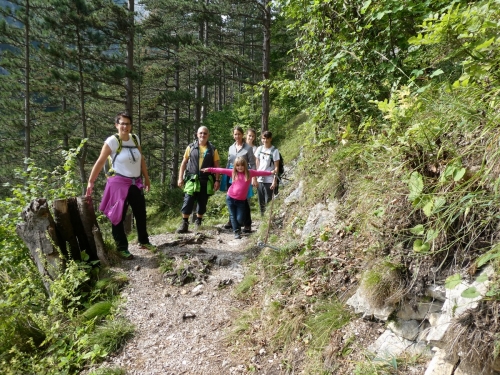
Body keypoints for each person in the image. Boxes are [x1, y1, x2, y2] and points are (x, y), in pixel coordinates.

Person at [86, 111, 154, 260]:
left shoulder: (135, 139)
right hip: (118, 184)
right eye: (122, 123)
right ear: (116, 125)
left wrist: (146, 178)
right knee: (118, 216)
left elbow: (141, 159)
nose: (125, 126)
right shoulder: (112, 141)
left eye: (128, 124)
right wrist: (91, 181)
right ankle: (121, 247)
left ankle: (143, 241)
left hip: (135, 183)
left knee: (140, 213)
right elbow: (100, 161)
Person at [202, 157, 273, 239]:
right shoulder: (232, 172)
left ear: (245, 166)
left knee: (240, 218)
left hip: (241, 201)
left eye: (242, 165)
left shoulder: (250, 173)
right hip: (230, 198)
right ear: (235, 166)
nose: (240, 167)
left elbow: (260, 172)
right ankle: (236, 232)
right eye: (238, 165)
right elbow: (221, 170)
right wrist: (209, 169)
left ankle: (238, 227)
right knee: (232, 215)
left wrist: (271, 172)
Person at [176, 126, 220, 233]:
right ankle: (184, 223)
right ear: (197, 134)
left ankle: (198, 222)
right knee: (188, 200)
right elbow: (183, 163)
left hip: (206, 179)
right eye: (201, 133)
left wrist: (217, 180)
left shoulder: (213, 149)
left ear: (208, 135)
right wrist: (180, 177)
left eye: (205, 133)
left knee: (202, 201)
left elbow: (217, 166)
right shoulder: (190, 147)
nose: (202, 135)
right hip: (191, 179)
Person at [223, 126, 256, 232]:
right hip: (232, 176)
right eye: (235, 134)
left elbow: (252, 164)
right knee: (231, 198)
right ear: (233, 135)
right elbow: (229, 163)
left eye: (239, 134)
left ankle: (247, 224)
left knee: (244, 200)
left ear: (242, 135)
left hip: (244, 176)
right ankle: (231, 221)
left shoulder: (248, 148)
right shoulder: (231, 148)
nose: (237, 136)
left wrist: (253, 178)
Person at [255, 130, 280, 216]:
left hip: (269, 179)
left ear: (270, 139)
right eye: (263, 138)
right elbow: (256, 163)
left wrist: (274, 180)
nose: (265, 140)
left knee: (268, 201)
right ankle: (263, 220)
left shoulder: (274, 151)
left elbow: (276, 167)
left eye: (267, 138)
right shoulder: (259, 149)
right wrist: (255, 178)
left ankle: (268, 219)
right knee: (261, 201)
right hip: (260, 179)